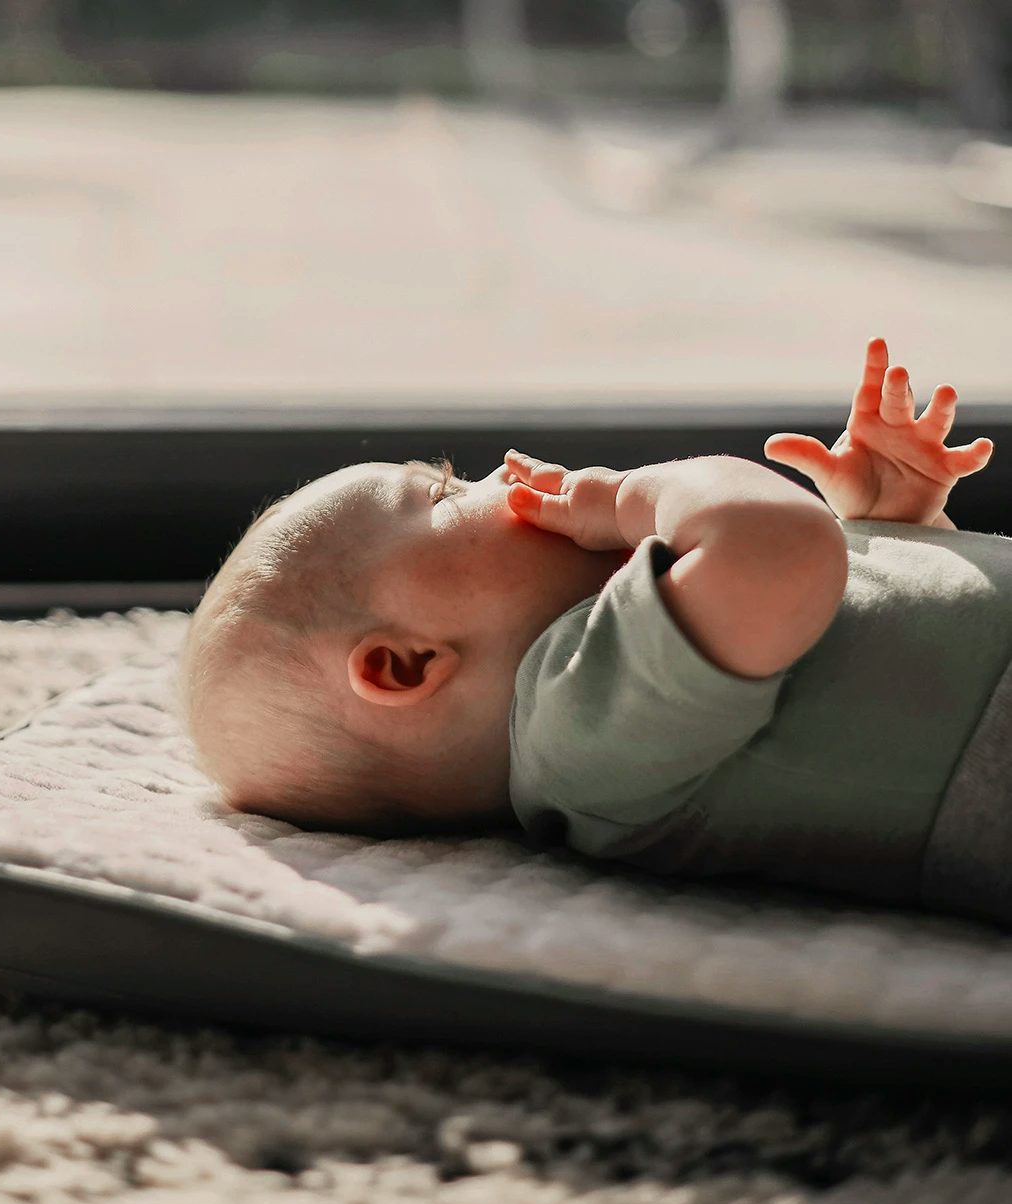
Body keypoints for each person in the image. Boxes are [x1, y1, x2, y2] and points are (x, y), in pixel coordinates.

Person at [179, 339, 1012, 925]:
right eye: (443, 494)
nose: (502, 472)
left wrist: (889, 525)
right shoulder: (577, 729)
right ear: (405, 665)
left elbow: (857, 618)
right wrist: (631, 496)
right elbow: (782, 555)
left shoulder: (631, 642)